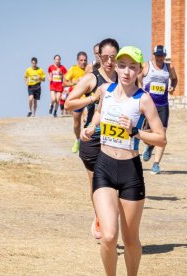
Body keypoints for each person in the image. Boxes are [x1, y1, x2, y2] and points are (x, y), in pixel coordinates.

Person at [81, 46, 166, 276]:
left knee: (130, 240)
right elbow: (99, 112)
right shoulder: (105, 90)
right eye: (122, 66)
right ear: (115, 67)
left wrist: (136, 131)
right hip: (105, 167)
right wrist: (90, 127)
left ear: (139, 70)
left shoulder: (144, 99)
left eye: (132, 67)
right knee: (108, 235)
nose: (127, 71)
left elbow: (161, 139)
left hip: (130, 172)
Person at [65, 38, 119, 239]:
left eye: (113, 57)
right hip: (93, 139)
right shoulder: (91, 78)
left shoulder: (124, 77)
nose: (109, 61)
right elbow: (69, 104)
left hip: (115, 139)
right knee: (97, 184)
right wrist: (93, 98)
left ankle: (107, 219)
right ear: (99, 56)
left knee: (113, 185)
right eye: (105, 57)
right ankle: (99, 216)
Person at [138, 45, 178, 174]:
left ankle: (156, 164)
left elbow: (175, 79)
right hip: (148, 105)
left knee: (162, 133)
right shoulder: (147, 66)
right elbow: (138, 78)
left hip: (162, 105)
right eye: (157, 55)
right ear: (153, 55)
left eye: (162, 56)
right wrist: (141, 90)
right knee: (145, 134)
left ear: (165, 56)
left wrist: (172, 87)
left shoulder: (169, 67)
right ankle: (149, 145)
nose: (159, 58)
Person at [63, 51, 87, 152]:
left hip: (87, 99)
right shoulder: (73, 69)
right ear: (77, 61)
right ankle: (77, 140)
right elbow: (64, 83)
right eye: (81, 60)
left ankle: (86, 142)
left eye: (85, 60)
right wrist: (75, 82)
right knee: (77, 124)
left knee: (86, 120)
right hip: (76, 100)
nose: (83, 62)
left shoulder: (89, 69)